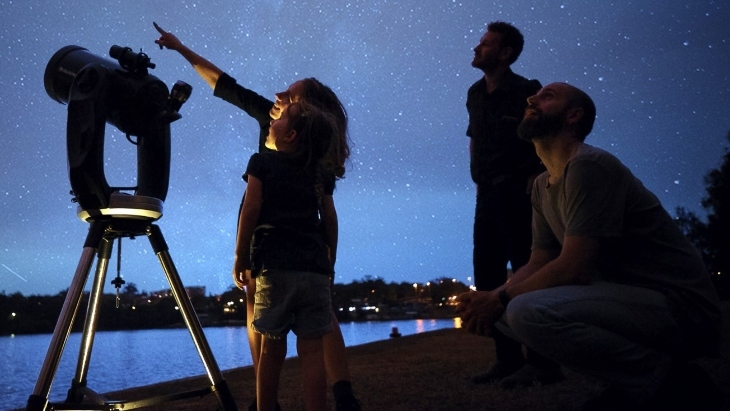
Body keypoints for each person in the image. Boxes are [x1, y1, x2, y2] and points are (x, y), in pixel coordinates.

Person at [456, 82, 723, 410]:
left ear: (573, 116)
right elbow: (539, 260)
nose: (530, 98)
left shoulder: (588, 166)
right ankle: (629, 384)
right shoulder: (542, 184)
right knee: (503, 311)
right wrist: (488, 299)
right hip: (628, 302)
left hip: (681, 308)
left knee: (524, 310)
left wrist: (501, 297)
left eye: (547, 96)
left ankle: (669, 382)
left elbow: (575, 267)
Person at [153, 23, 361, 411]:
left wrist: (242, 253)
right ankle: (274, 399)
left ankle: (335, 392)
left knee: (278, 318)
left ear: (306, 112)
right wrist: (181, 47)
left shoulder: (308, 135)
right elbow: (222, 83)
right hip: (296, 246)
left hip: (273, 237)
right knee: (274, 312)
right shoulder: (277, 118)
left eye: (291, 93)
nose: (279, 95)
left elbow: (317, 205)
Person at [465, 21, 560, 387]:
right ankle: (507, 358)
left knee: (528, 271)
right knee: (487, 274)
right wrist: (476, 178)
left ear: (504, 53)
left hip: (520, 194)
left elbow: (544, 138)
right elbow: (474, 137)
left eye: (485, 44)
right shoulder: (475, 93)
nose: (476, 48)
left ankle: (543, 361)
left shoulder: (527, 92)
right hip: (486, 195)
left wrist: (535, 184)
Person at [234, 101, 337, 411]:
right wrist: (329, 262)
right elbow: (329, 219)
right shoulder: (320, 173)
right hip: (314, 271)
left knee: (271, 349)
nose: (271, 121)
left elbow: (250, 209)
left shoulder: (262, 163)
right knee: (312, 351)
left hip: (274, 269)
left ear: (290, 135)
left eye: (278, 119)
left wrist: (241, 256)